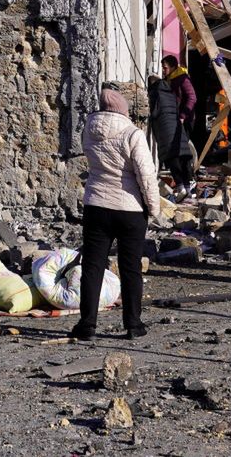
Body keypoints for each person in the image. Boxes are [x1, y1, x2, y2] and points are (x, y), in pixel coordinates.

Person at [71, 87, 160, 340]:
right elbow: (145, 174)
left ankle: (87, 325)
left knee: (92, 266)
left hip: (96, 205)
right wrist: (153, 207)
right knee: (130, 267)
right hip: (130, 209)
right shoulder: (133, 134)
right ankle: (133, 324)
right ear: (123, 110)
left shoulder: (89, 130)